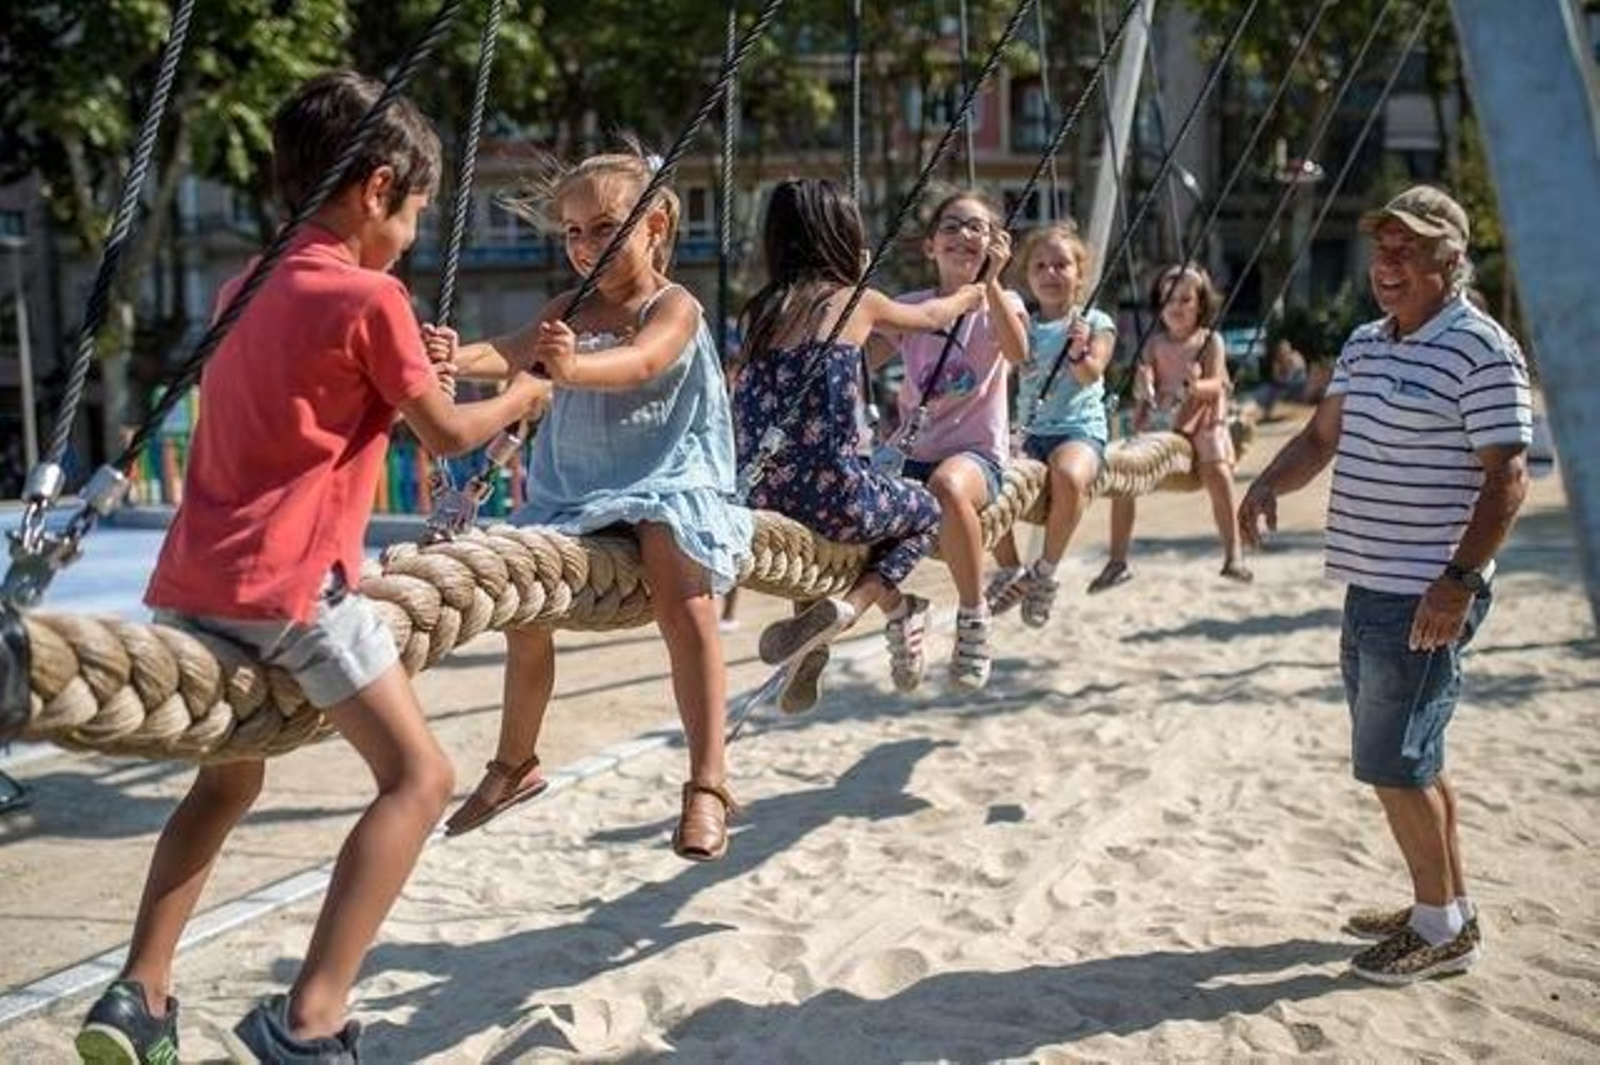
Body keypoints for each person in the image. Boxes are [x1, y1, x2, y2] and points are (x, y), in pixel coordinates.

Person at [75, 71, 547, 1064]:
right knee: (418, 778)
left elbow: (315, 393)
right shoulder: (371, 297)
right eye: (415, 213)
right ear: (376, 190)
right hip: (292, 592)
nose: (416, 235)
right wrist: (528, 393)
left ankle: (140, 993)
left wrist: (407, 359)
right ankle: (311, 1017)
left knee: (221, 786)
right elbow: (453, 433)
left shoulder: (239, 286)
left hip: (192, 583)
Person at [1238, 185, 1531, 984]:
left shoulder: (1482, 348)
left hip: (1425, 592)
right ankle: (1447, 906)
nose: (1388, 263)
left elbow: (1507, 478)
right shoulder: (1368, 343)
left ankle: (1437, 930)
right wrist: (1268, 482)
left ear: (1452, 258)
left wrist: (1458, 581)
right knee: (1417, 757)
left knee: (1391, 764)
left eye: (1409, 248)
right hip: (1369, 585)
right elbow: (1320, 435)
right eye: (1382, 247)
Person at [439, 150, 752, 863]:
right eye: (574, 232)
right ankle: (515, 761)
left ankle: (707, 779)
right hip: (577, 492)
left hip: (666, 475)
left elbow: (643, 360)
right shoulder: (569, 309)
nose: (586, 246)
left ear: (656, 225)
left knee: (683, 588)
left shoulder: (672, 305)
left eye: (605, 227)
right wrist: (451, 358)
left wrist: (574, 367)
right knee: (525, 602)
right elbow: (512, 351)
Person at [731, 178, 984, 710]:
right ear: (843, 237)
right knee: (927, 510)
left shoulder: (756, 314)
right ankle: (848, 611)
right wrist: (970, 293)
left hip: (761, 501)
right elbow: (932, 320)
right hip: (839, 499)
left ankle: (812, 642)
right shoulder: (852, 301)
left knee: (813, 544)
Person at [869, 190, 1030, 689]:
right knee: (852, 513)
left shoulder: (1005, 304)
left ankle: (973, 616)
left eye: (977, 228)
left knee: (948, 485)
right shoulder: (914, 307)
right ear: (930, 246)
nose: (965, 236)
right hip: (910, 453)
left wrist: (994, 283)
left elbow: (1019, 352)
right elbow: (858, 360)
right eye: (952, 226)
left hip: (975, 457)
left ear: (996, 244)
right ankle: (900, 611)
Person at [1089, 264, 1252, 593]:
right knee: (1125, 476)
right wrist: (1143, 385)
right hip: (1164, 421)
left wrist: (1196, 385)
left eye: (1185, 299)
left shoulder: (1209, 341)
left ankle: (1233, 554)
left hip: (1203, 421)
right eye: (1168, 299)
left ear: (1201, 303)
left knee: (1219, 476)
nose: (1175, 307)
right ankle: (1117, 561)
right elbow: (1143, 387)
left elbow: (1220, 385)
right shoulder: (1154, 344)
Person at [985, 224, 1117, 627]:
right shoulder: (1024, 326)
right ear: (1028, 276)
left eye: (1061, 265)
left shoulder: (1095, 321)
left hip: (1078, 429)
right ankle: (1011, 569)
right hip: (1031, 432)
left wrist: (1079, 350)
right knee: (988, 479)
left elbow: (1091, 374)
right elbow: (1000, 371)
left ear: (1080, 274)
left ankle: (1045, 572)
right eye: (1040, 266)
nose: (1051, 274)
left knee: (1068, 476)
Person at [1254, 338, 1311, 419]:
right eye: (1280, 350)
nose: (1282, 352)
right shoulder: (1277, 362)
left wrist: (1286, 373)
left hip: (1298, 387)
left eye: (1284, 349)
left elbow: (1297, 376)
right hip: (1284, 387)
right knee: (1264, 390)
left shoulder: (1295, 358)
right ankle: (1266, 412)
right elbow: (1276, 378)